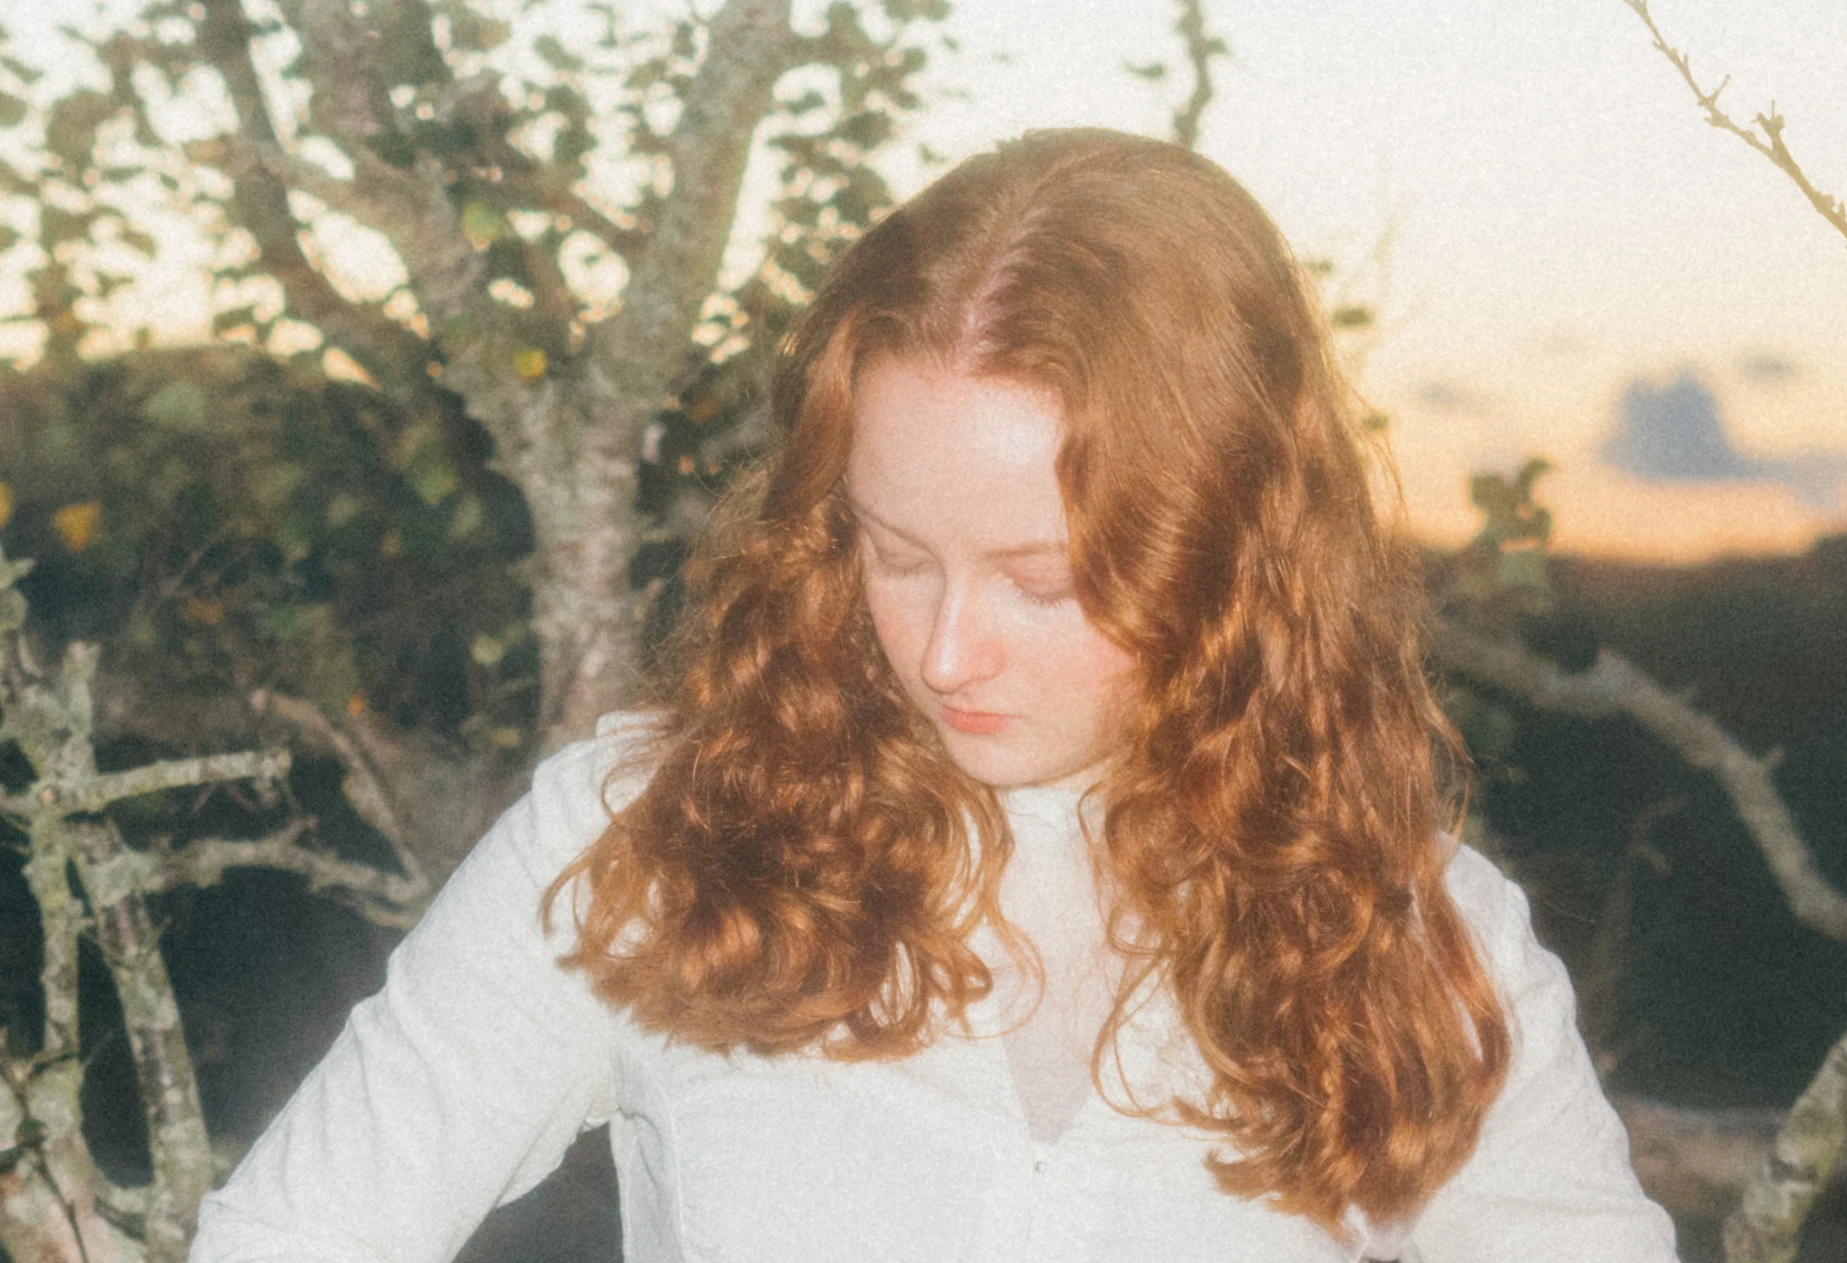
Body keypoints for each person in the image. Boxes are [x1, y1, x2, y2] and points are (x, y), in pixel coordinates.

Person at [190, 128, 1679, 1262]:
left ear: (1231, 556)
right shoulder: (649, 841)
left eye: (1043, 581)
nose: (947, 652)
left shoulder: (1412, 935)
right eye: (896, 555)